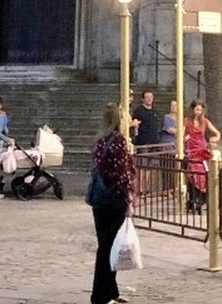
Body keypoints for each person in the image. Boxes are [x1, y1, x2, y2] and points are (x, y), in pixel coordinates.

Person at [89, 102, 136, 304]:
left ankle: (110, 290)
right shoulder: (118, 141)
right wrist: (128, 199)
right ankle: (100, 294)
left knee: (107, 245)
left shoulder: (100, 141)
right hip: (113, 199)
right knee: (108, 247)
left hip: (99, 199)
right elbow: (120, 174)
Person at [184, 102, 221, 210]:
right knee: (194, 172)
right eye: (196, 110)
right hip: (192, 149)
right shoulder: (187, 121)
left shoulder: (205, 121)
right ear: (192, 110)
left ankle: (203, 196)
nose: (198, 112)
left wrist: (215, 139)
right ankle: (194, 197)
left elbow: (217, 133)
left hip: (202, 149)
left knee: (205, 172)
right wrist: (184, 138)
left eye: (200, 110)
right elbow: (180, 135)